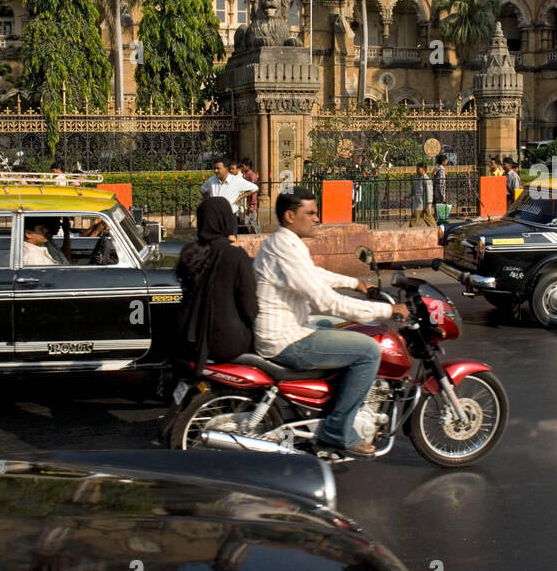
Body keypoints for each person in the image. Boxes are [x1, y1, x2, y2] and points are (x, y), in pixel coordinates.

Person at [253, 188, 409, 456]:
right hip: (287, 339)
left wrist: (355, 283)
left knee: (337, 326)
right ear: (290, 216)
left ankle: (326, 408)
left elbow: (313, 274)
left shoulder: (285, 243)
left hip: (290, 329)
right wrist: (386, 310)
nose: (316, 218)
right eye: (310, 213)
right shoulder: (285, 248)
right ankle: (339, 430)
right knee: (369, 350)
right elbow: (327, 301)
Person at [176, 196, 258, 376]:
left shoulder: (190, 252)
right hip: (226, 341)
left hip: (188, 337)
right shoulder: (235, 255)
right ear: (226, 219)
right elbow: (249, 307)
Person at [409, 163, 433, 228]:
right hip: (418, 204)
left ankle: (438, 235)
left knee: (413, 224)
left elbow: (429, 193)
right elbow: (413, 190)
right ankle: (437, 234)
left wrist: (428, 205)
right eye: (416, 169)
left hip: (423, 206)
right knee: (432, 224)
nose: (416, 170)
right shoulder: (417, 179)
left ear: (423, 170)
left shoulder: (426, 180)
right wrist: (406, 196)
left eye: (418, 169)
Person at [432, 153, 449, 223]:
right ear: (443, 162)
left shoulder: (436, 168)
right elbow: (442, 183)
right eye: (446, 160)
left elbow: (432, 178)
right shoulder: (442, 170)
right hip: (439, 190)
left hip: (435, 189)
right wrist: (443, 195)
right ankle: (441, 219)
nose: (447, 162)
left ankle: (437, 218)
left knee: (436, 205)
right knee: (441, 204)